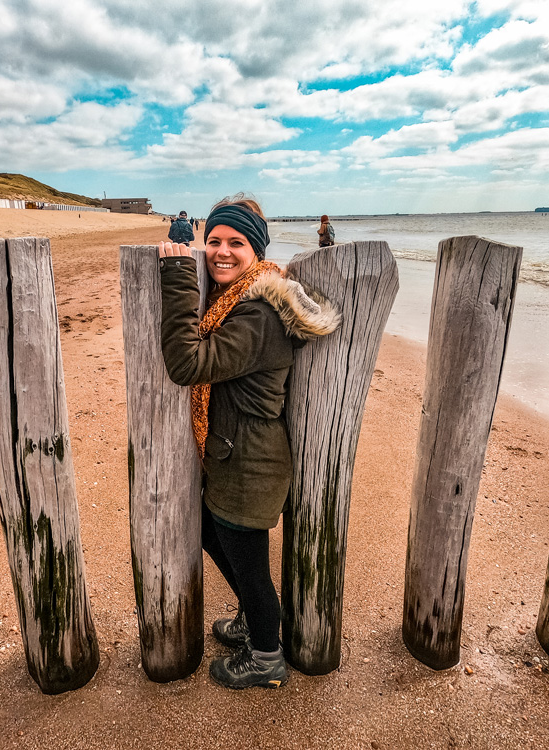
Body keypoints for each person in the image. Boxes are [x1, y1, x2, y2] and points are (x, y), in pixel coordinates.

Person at [157, 195, 339, 689]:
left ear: (256, 251)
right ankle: (253, 624)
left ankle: (265, 656)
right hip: (235, 456)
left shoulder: (255, 315)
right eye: (212, 240)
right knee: (214, 535)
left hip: (250, 464)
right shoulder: (234, 302)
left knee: (253, 571)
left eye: (236, 242)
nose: (220, 251)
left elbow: (187, 364)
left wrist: (175, 278)